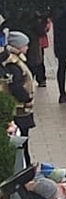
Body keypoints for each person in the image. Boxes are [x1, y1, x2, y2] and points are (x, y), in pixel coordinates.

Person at [2, 32, 37, 167]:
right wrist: (26, 98)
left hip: (20, 109)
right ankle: (25, 168)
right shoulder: (13, 63)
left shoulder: (15, 60)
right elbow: (15, 85)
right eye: (25, 45)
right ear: (18, 46)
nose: (27, 48)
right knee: (21, 143)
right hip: (19, 110)